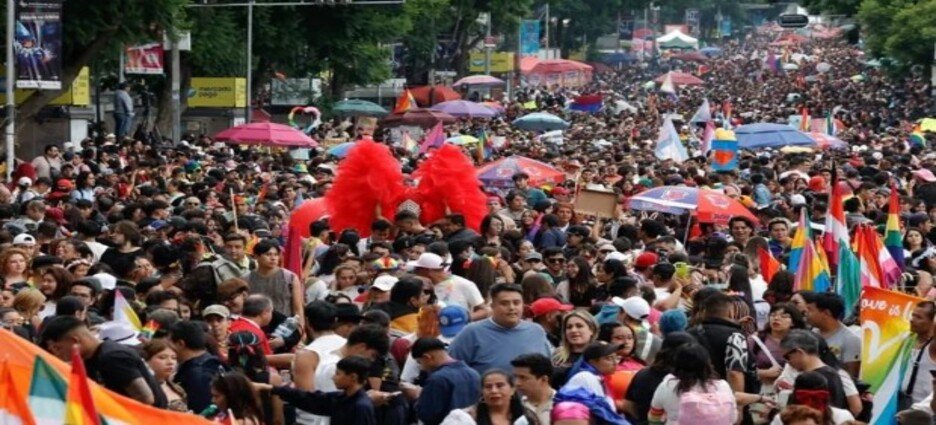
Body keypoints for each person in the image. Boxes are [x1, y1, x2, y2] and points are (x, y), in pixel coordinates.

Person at [39, 315, 167, 407]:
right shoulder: (90, 359)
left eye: (57, 348)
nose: (56, 354)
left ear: (74, 341)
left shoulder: (113, 357)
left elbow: (145, 399)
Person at [449, 283, 553, 374]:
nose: (511, 307)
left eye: (516, 303)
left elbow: (549, 365)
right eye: (504, 303)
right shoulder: (471, 332)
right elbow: (451, 369)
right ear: (492, 306)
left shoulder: (536, 331)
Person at [263, 356, 377, 425]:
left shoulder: (361, 407)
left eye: (338, 374)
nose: (333, 377)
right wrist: (273, 389)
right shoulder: (341, 398)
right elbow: (310, 399)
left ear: (353, 377)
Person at [647, 343, 737, 425]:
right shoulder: (723, 387)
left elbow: (654, 418)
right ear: (707, 363)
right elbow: (733, 419)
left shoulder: (667, 386)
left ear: (677, 364)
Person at [292, 300, 346, 425]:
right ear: (335, 320)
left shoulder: (306, 355)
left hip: (313, 420)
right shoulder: (348, 346)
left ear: (307, 321)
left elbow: (306, 398)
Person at [406, 337, 481, 425]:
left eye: (419, 362)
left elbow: (427, 415)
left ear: (427, 357)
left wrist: (418, 397)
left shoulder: (438, 379)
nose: (422, 368)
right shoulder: (474, 374)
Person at [687, 291, 749, 392]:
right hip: (723, 394)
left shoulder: (688, 333)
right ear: (730, 312)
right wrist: (737, 399)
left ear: (704, 311)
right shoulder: (735, 335)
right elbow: (734, 373)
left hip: (692, 391)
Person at [440, 369, 538, 425]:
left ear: (513, 389)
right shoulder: (463, 418)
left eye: (499, 386)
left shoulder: (528, 417)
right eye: (488, 387)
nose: (494, 391)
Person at [412, 253, 489, 320]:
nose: (414, 272)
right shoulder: (419, 285)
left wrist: (462, 319)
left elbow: (484, 311)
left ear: (427, 271)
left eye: (417, 269)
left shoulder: (464, 284)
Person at [169, 320, 225, 413]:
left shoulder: (198, 375)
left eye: (169, 343)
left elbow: (202, 413)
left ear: (180, 344)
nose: (167, 347)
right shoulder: (213, 362)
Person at [244, 239, 304, 321]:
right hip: (256, 324)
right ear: (256, 256)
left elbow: (298, 308)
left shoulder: (290, 278)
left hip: (284, 324)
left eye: (276, 255)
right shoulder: (247, 279)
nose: (273, 258)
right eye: (268, 254)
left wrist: (300, 325)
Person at [804, 293, 861, 377]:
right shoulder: (812, 333)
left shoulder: (851, 340)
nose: (806, 313)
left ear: (826, 313)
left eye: (810, 310)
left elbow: (851, 376)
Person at [770, 372, 854, 425]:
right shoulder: (782, 418)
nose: (811, 403)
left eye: (816, 398)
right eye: (806, 398)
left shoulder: (842, 416)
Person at [562, 342, 621, 411]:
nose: (615, 362)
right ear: (592, 362)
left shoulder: (598, 378)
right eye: (609, 358)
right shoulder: (586, 378)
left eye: (615, 357)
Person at [902, 301, 936, 406]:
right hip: (903, 404)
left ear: (932, 322)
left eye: (919, 317)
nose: (912, 319)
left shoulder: (933, 346)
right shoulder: (909, 339)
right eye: (913, 315)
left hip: (926, 409)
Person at [142, 339, 189, 412]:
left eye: (174, 358)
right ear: (146, 361)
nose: (170, 362)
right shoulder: (141, 388)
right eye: (162, 357)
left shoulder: (178, 389)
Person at [512, 353, 556, 425]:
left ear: (544, 379)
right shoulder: (520, 420)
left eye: (523, 377)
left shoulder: (565, 407)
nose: (517, 383)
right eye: (515, 377)